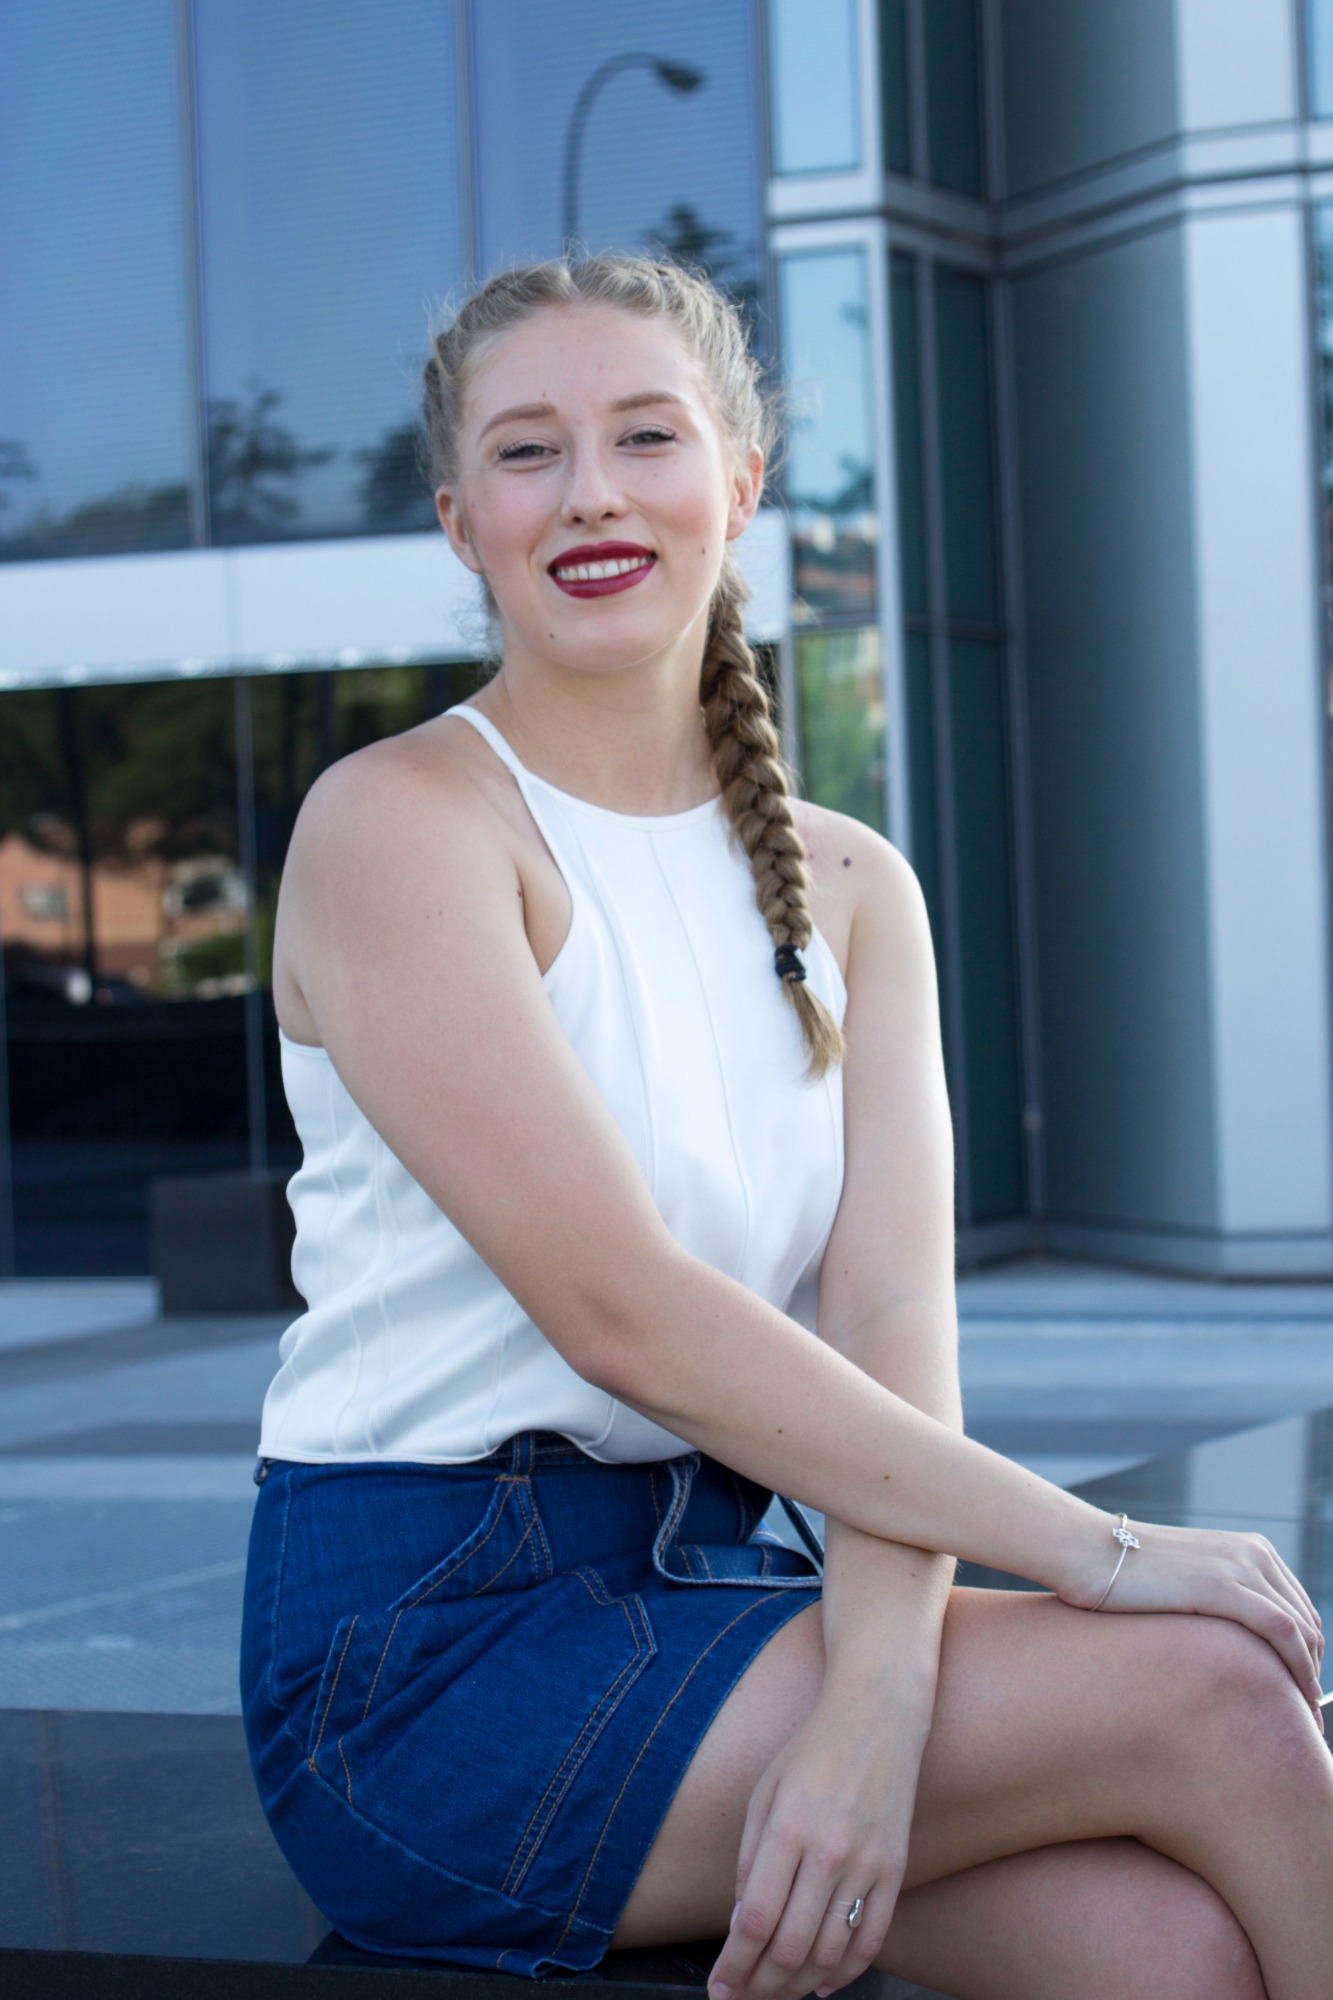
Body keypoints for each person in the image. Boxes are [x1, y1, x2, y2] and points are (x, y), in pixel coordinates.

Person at [240, 255, 1333, 2000]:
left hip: (736, 1586)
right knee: (1218, 1686)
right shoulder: (402, 825)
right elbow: (624, 1315)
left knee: (1169, 1950)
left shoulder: (852, 884)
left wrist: (876, 1698)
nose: (589, 492)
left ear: (737, 485)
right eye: (526, 452)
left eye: (644, 436)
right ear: (458, 520)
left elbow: (889, 1335)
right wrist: (1099, 1553)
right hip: (431, 1661)